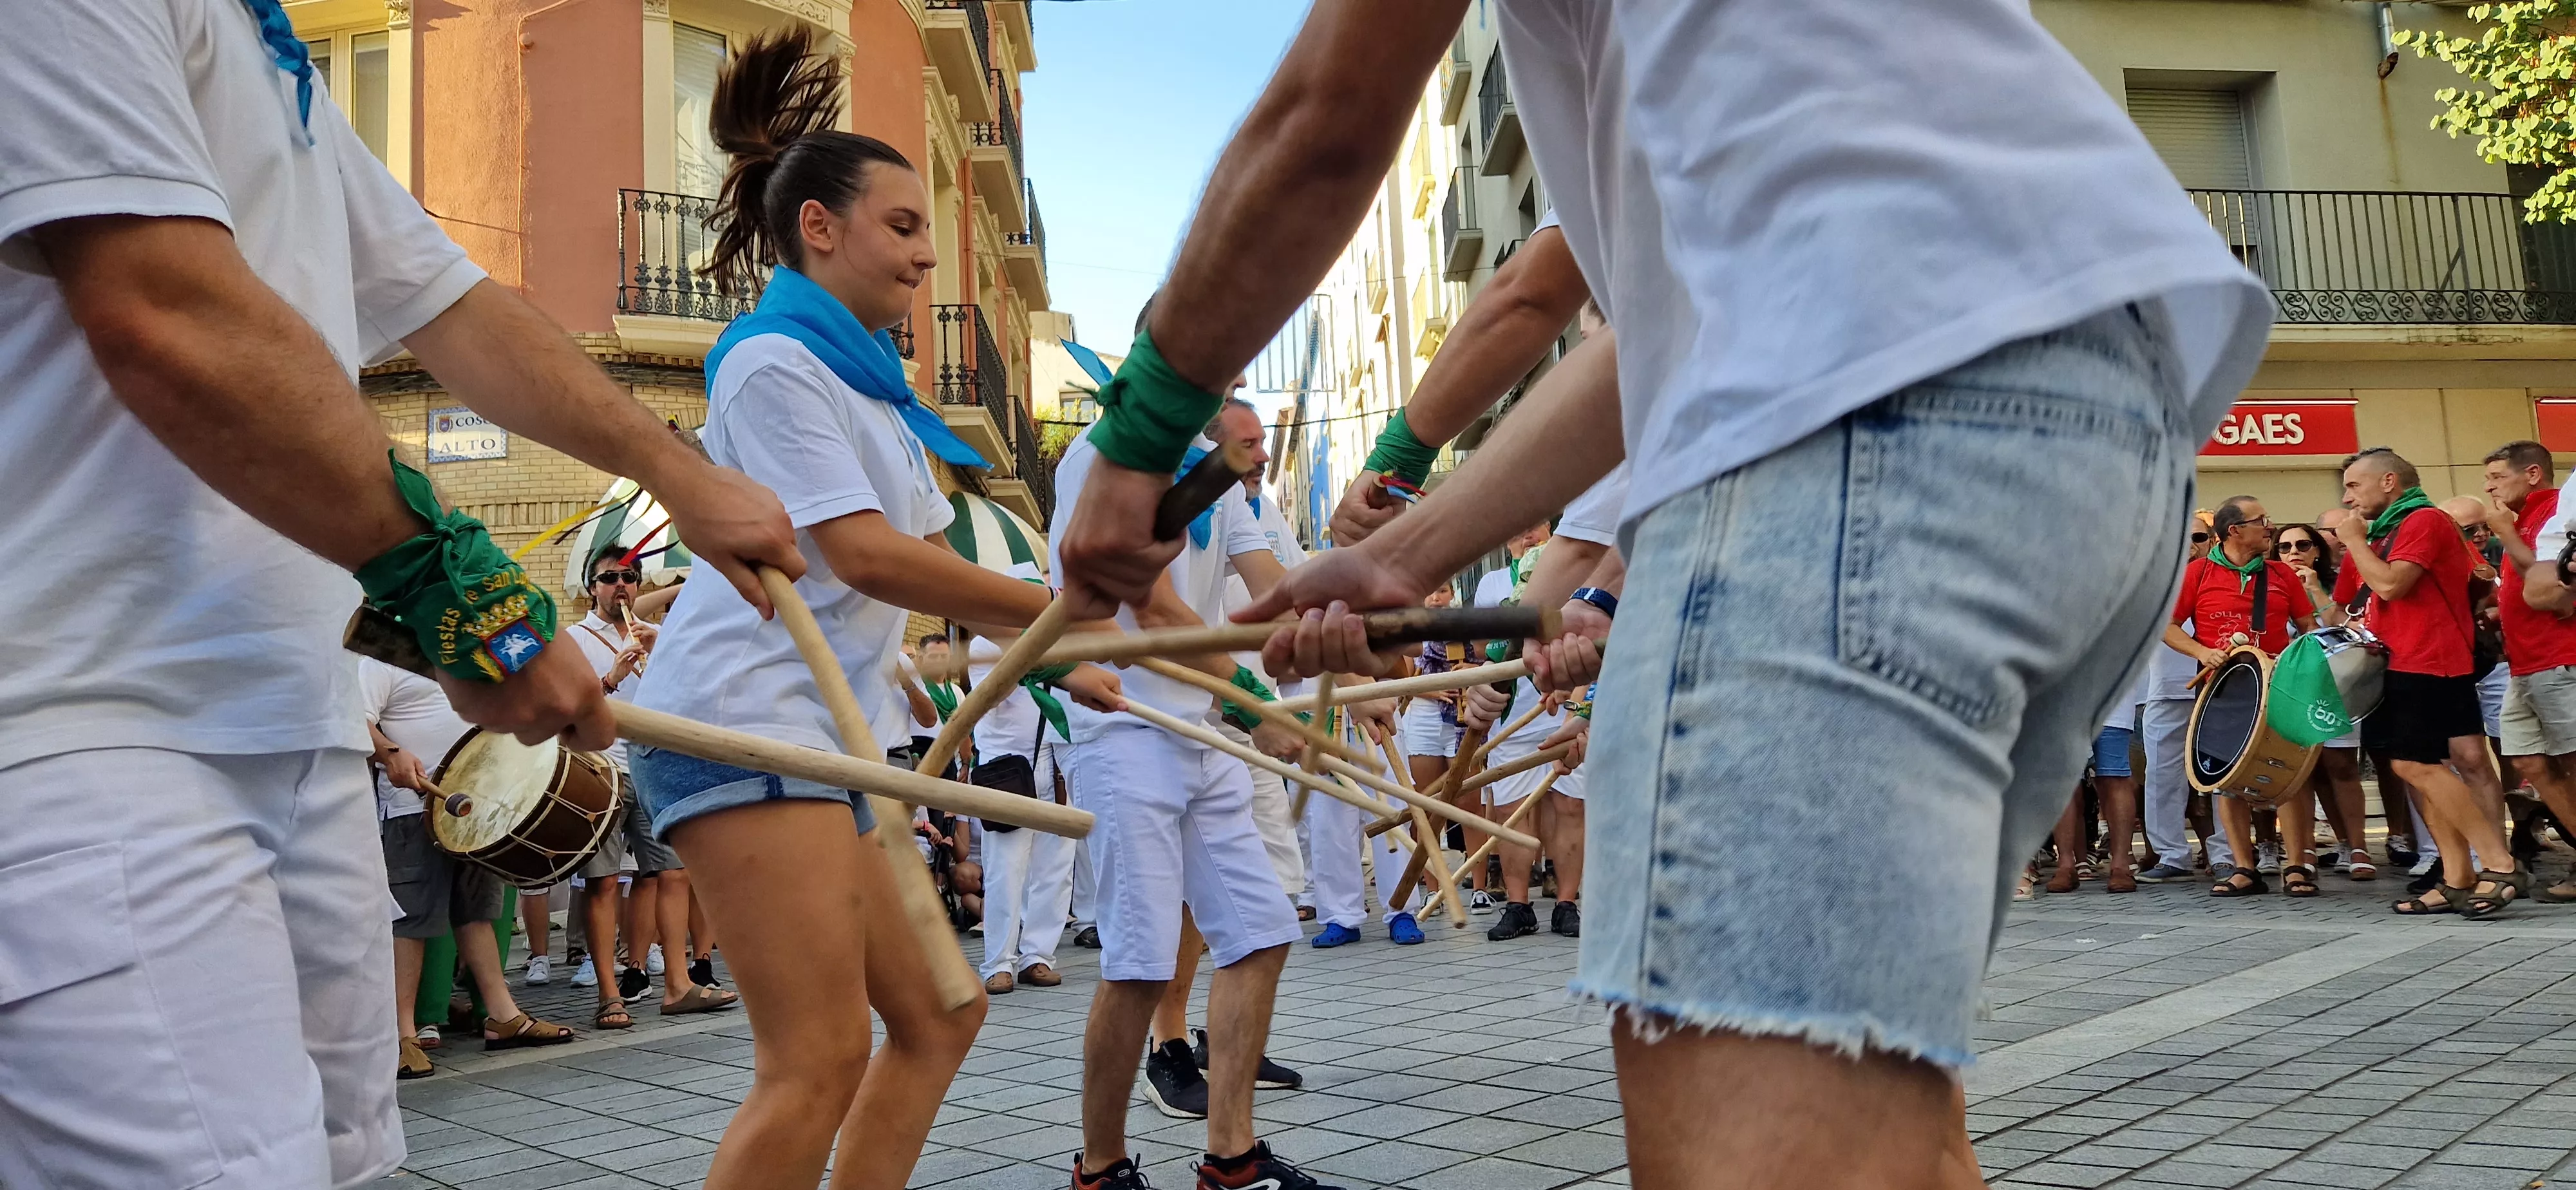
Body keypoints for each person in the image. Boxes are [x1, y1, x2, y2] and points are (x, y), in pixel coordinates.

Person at [1050, 3, 2278, 1184]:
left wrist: (1144, 427)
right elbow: (1657, 326)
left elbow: (1327, 115)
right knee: (1889, 1120)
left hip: (1851, 415)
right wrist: (1405, 554)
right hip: (2103, 418)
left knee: (1771, 1153)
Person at [0, 2, 802, 1184]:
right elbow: (160, 304)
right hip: (87, 732)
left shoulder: (282, 65)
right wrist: (461, 594)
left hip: (294, 726)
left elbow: (458, 306)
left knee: (351, 1164)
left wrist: (677, 467)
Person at [623, 29, 1119, 1190]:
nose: (924, 263)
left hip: (836, 744)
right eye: (904, 230)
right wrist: (1061, 606)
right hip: (746, 729)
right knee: (816, 1055)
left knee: (942, 1015)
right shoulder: (769, 364)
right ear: (820, 228)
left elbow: (935, 572)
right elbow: (864, 555)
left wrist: (1055, 658)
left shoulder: (876, 396)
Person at [1052, 393, 1322, 1184]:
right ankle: (1100, 1169)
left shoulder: (1216, 476)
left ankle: (1230, 1157)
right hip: (1126, 726)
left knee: (1261, 931)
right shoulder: (1098, 462)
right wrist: (1252, 701)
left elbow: (1268, 584)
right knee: (1138, 962)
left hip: (1199, 728)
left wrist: (1326, 621)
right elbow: (1155, 608)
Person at [359, 656, 579, 1080]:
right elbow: (353, 717)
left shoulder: (459, 647)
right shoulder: (380, 653)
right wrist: (390, 753)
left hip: (475, 803)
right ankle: (401, 1033)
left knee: (477, 910)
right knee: (411, 918)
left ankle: (502, 1015)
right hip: (414, 807)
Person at [2337, 449, 2526, 917]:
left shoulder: (2422, 520)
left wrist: (2354, 542)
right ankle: (2458, 875)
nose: (2347, 497)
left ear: (2388, 482)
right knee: (2421, 770)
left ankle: (2500, 864)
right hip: (2406, 659)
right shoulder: (2392, 527)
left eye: (2353, 486)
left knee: (2416, 767)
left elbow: (2391, 586)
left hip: (2429, 660)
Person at [563, 546, 735, 1019]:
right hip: (600, 770)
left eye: (630, 577)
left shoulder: (659, 635)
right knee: (602, 883)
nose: (621, 584)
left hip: (652, 763)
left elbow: (693, 694)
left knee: (670, 874)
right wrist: (611, 679)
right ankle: (609, 993)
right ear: (591, 587)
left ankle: (678, 985)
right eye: (609, 577)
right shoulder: (574, 638)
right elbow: (564, 711)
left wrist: (664, 656)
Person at [2160, 496, 2319, 896]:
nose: (2270, 527)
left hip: (2280, 685)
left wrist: (2293, 659)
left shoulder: (2281, 574)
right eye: (2261, 521)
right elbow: (2168, 626)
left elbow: (2308, 627)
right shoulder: (2197, 572)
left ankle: (2298, 865)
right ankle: (2244, 867)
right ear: (2235, 531)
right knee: (2226, 778)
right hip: (2223, 688)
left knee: (2289, 774)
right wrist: (2201, 652)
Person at [2477, 440, 2576, 903]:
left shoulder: (2559, 510)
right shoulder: (2523, 520)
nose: (2489, 487)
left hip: (2560, 656)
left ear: (2533, 474)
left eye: (2497, 477)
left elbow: (2548, 577)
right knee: (2528, 761)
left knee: (2572, 763)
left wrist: (2505, 532)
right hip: (2524, 663)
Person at [962, 622, 1078, 994]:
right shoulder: (984, 643)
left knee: (1055, 872)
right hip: (1006, 772)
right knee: (1004, 873)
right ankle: (998, 962)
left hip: (1057, 766)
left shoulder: (1061, 639)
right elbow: (991, 696)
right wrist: (1025, 651)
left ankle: (1038, 956)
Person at [2272, 522, 2376, 881]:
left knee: (2342, 766)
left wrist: (2315, 591)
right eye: (2284, 548)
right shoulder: (2268, 588)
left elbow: (2348, 630)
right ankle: (2303, 851)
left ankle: (2357, 846)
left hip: (2335, 687)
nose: (2294, 553)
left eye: (2302, 545)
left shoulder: (2337, 586)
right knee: (2300, 772)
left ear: (2317, 550)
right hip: (2291, 690)